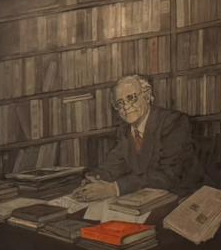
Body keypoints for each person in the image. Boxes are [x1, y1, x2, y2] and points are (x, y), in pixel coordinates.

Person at [71, 73, 204, 200]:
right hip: (146, 198)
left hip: (183, 196)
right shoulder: (125, 130)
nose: (126, 107)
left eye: (131, 98)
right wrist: (94, 179)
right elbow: (114, 164)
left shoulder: (174, 122)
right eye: (119, 103)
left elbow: (168, 175)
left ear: (146, 96)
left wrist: (114, 188)